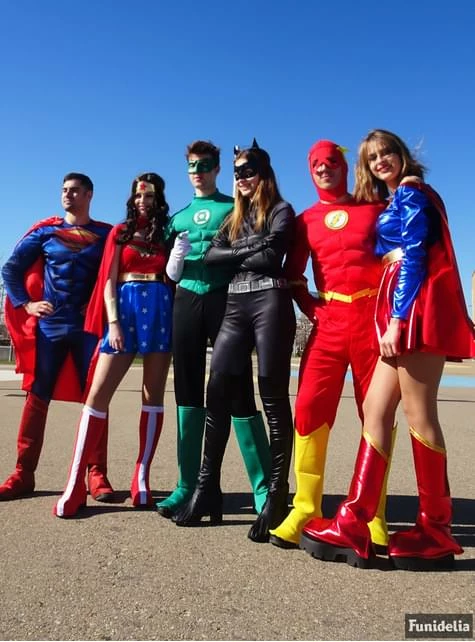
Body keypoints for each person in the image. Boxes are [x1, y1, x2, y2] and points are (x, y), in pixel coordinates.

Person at [300, 129, 475, 570]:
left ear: (401, 155)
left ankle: (435, 529)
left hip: (413, 309)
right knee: (376, 409)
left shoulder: (411, 192)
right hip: (400, 304)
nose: (381, 161)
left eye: (386, 153)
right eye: (373, 157)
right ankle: (354, 521)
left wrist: (397, 319)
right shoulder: (397, 197)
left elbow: (414, 255)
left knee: (420, 413)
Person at [268, 140, 395, 552]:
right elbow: (293, 276)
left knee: (375, 413)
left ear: (344, 165)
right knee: (308, 408)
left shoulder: (375, 209)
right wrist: (312, 309)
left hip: (372, 324)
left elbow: (401, 261)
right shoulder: (304, 221)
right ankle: (306, 507)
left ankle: (373, 513)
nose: (324, 169)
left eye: (331, 162)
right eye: (317, 165)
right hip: (328, 325)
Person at [174, 144, 296, 543]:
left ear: (265, 172)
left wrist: (235, 253)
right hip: (235, 303)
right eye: (238, 172)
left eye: (250, 170)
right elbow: (211, 257)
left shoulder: (281, 209)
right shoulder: (235, 216)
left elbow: (272, 256)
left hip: (270, 301)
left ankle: (275, 496)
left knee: (272, 395)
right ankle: (206, 488)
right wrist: (253, 246)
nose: (243, 178)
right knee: (217, 389)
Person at [156, 140, 270, 519]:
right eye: (193, 166)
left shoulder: (235, 207)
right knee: (187, 392)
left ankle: (263, 487)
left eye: (205, 165)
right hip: (186, 300)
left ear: (218, 169)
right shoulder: (177, 218)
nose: (198, 172)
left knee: (238, 389)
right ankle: (186, 485)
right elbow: (165, 269)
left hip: (227, 299)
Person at [54, 173, 173, 517]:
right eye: (139, 195)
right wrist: (114, 322)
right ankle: (75, 483)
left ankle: (141, 478)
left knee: (153, 396)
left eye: (149, 196)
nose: (143, 201)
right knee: (97, 395)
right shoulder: (120, 232)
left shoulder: (166, 235)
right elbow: (108, 279)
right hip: (125, 311)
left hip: (161, 311)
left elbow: (175, 274)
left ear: (158, 199)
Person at [1, 173, 113, 502]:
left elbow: (121, 271)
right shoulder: (45, 233)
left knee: (97, 398)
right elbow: (10, 269)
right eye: (64, 190)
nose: (67, 195)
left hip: (88, 328)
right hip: (50, 326)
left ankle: (97, 473)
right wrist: (27, 303)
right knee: (37, 398)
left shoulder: (106, 234)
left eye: (75, 191)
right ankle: (23, 473)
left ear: (89, 195)